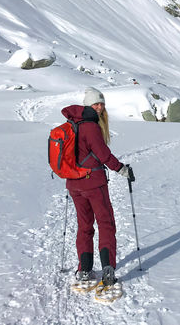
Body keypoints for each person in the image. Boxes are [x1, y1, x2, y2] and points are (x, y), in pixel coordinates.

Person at [62, 87, 135, 286]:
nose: (100, 107)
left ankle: (84, 269)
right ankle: (108, 269)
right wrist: (121, 169)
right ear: (87, 105)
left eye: (102, 104)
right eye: (96, 103)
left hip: (74, 184)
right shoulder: (91, 126)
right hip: (94, 184)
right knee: (106, 223)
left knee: (85, 226)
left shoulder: (72, 124)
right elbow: (103, 155)